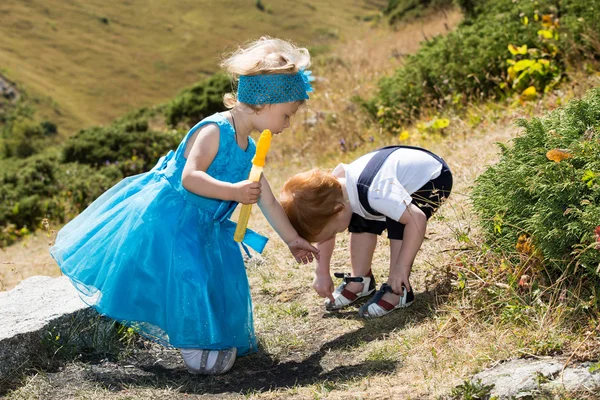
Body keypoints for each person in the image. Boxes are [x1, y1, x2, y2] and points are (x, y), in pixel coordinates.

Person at [50, 37, 319, 375]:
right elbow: (191, 178)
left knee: (206, 282)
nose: (287, 125)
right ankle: (193, 345)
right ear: (264, 103)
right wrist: (233, 191)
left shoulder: (249, 148)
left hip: (204, 227)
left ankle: (208, 338)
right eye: (286, 115)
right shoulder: (215, 130)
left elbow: (264, 196)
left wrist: (292, 238)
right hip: (172, 220)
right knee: (185, 279)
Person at [280, 145, 452, 318]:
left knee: (399, 221)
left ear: (338, 210)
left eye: (333, 232)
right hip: (388, 175)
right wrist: (321, 272)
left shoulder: (376, 193)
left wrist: (402, 267)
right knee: (359, 217)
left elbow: (416, 221)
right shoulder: (334, 191)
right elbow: (325, 235)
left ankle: (397, 288)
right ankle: (361, 280)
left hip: (432, 177)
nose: (333, 235)